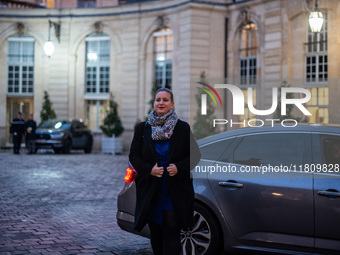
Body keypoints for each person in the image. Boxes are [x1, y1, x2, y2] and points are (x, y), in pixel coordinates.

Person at [129, 88, 200, 255]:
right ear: (154, 103)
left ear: (172, 104)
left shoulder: (182, 128)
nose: (161, 103)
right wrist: (149, 170)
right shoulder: (143, 129)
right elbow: (134, 155)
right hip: (152, 189)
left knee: (171, 228)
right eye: (158, 100)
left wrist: (179, 167)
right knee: (155, 230)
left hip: (174, 188)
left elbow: (195, 155)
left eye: (165, 100)